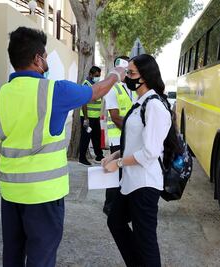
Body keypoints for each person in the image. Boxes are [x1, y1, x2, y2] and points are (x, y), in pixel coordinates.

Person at [0, 26, 125, 267]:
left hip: (10, 193)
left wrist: (3, 179)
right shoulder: (55, 91)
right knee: (41, 256)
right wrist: (116, 74)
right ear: (38, 59)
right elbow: (97, 91)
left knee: (13, 253)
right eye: (46, 55)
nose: (47, 60)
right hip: (44, 196)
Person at [102, 54, 172, 267]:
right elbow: (133, 142)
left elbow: (150, 152)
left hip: (145, 184)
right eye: (128, 74)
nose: (128, 78)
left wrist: (120, 163)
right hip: (131, 182)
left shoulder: (155, 106)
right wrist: (114, 156)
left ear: (146, 76)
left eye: (131, 74)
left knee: (146, 242)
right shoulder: (140, 102)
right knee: (115, 222)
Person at [102, 56, 136, 216]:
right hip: (118, 137)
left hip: (128, 136)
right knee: (115, 173)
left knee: (124, 172)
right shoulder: (112, 89)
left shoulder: (129, 88)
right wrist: (134, 130)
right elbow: (115, 117)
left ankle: (120, 205)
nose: (128, 72)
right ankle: (109, 206)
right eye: (126, 70)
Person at [78, 66, 104, 166]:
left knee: (96, 137)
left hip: (95, 116)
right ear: (91, 75)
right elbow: (84, 102)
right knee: (85, 137)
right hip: (87, 117)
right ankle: (82, 158)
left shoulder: (96, 84)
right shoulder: (86, 84)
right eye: (96, 76)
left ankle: (99, 156)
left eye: (99, 76)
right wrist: (85, 119)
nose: (98, 77)